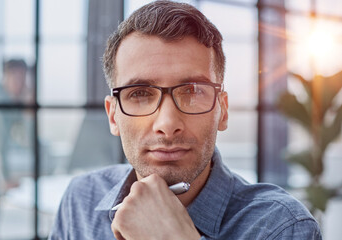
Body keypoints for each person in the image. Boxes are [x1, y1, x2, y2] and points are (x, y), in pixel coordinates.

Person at [48, 1, 321, 239]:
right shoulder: (80, 202)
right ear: (113, 116)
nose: (167, 123)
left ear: (222, 111)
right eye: (140, 94)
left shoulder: (283, 228)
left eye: (192, 92)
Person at [0, 59, 30, 240]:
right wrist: (2, 178)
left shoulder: (10, 100)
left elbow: (24, 139)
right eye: (17, 78)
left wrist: (27, 111)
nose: (22, 84)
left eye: (24, 78)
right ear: (6, 77)